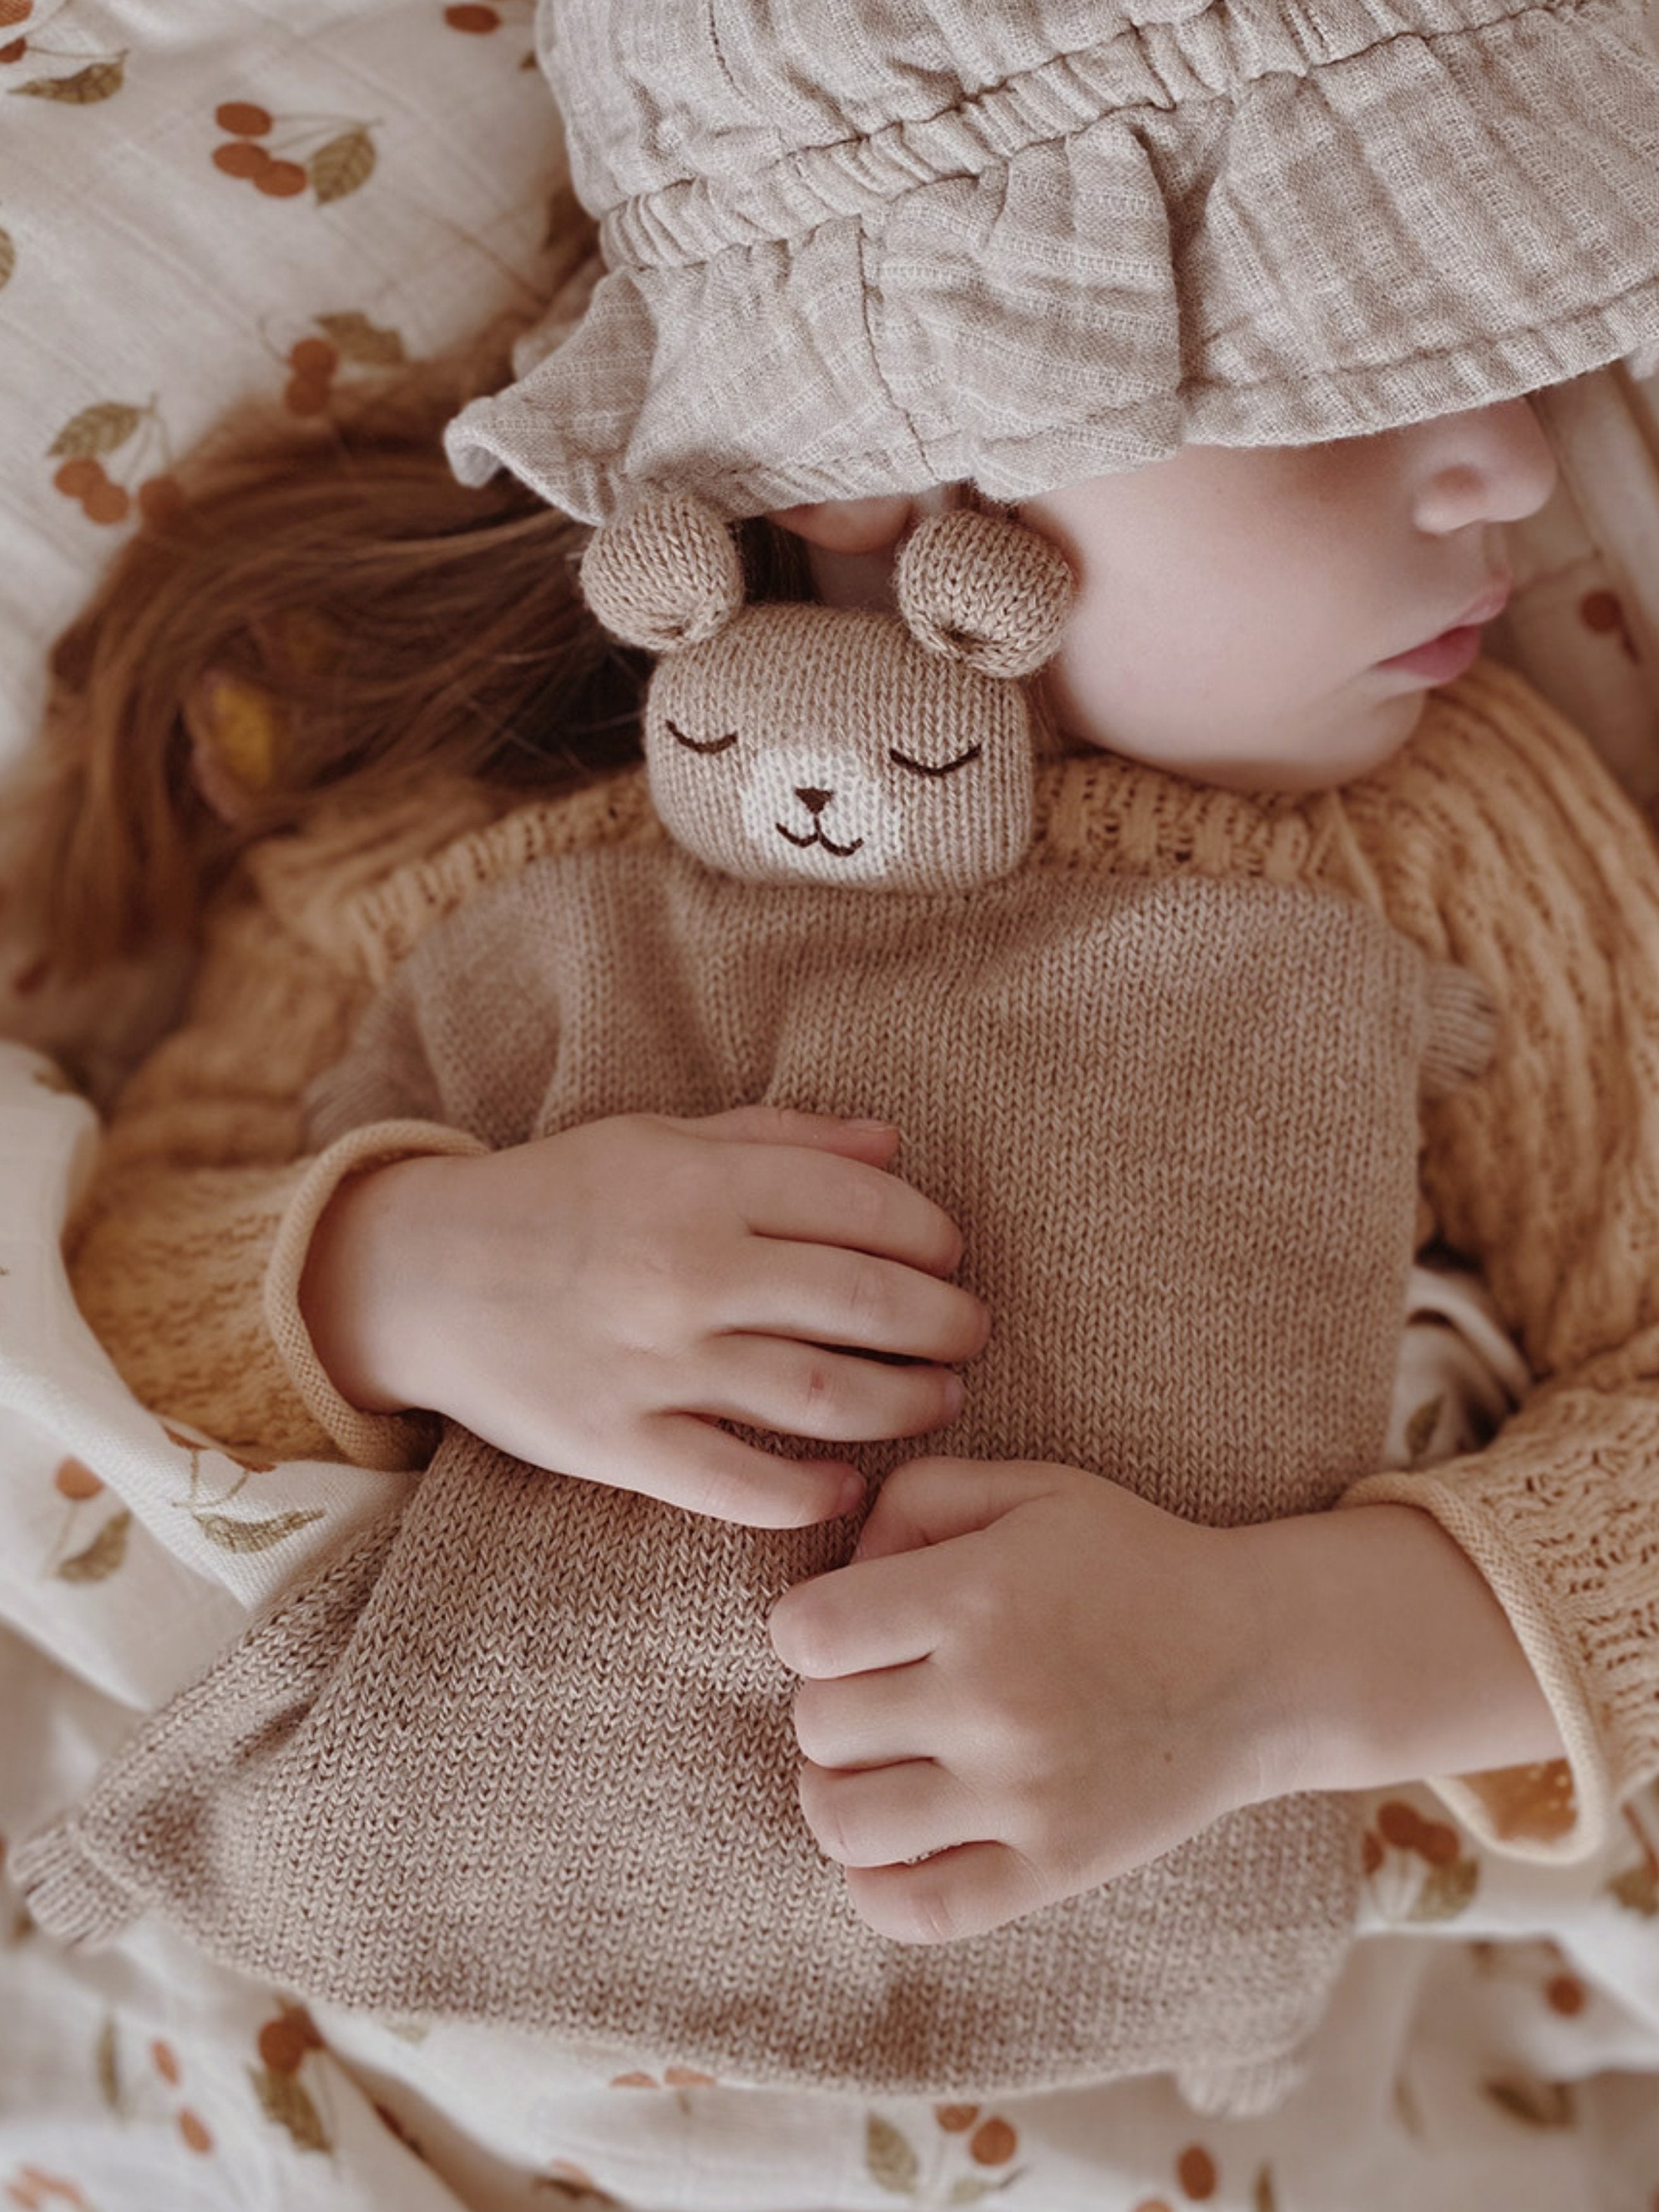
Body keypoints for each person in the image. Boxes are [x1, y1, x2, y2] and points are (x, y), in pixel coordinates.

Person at [11, 0, 1659, 2137]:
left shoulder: (1449, 846)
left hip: (1125, 2096)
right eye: (1338, 390)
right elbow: (115, 1292)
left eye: (1516, 358)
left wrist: (1266, 1659)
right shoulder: (469, 844)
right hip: (403, 1998)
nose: (1517, 468)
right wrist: (406, 1270)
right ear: (876, 448)